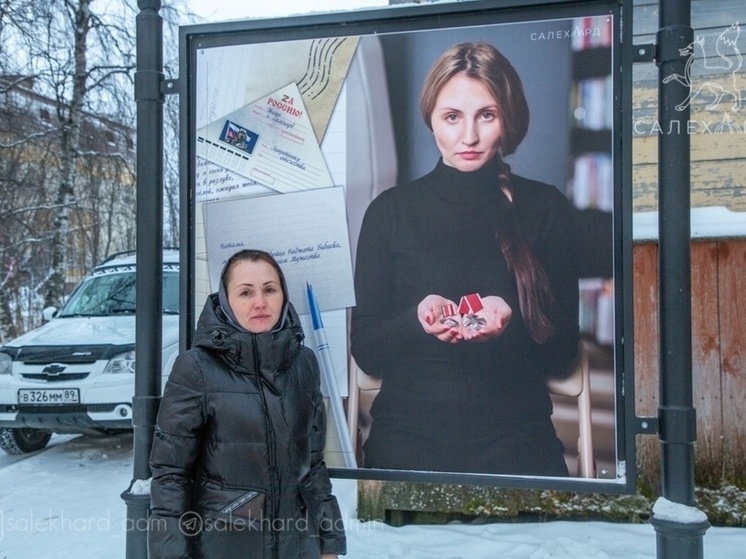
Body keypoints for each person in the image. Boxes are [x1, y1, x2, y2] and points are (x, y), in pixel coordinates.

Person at [350, 42, 580, 476]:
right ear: (431, 120)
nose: (469, 137)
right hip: (407, 436)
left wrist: (512, 321)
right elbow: (367, 352)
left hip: (519, 437)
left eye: (486, 115)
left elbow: (562, 351)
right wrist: (415, 320)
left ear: (507, 118)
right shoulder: (389, 211)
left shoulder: (546, 208)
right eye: (452, 117)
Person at [148, 249, 346, 558]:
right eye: (245, 292)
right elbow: (171, 476)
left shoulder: (304, 363)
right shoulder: (197, 368)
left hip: (298, 545)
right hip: (226, 544)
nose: (260, 302)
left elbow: (314, 463)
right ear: (226, 301)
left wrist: (329, 541)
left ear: (283, 295)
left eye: (270, 289)